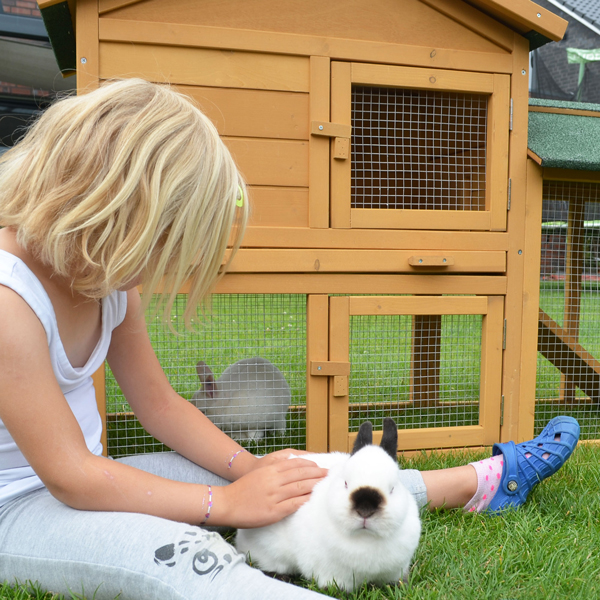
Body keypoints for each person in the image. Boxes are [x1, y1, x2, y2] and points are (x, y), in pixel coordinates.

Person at [0, 79, 580, 600]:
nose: (153, 272)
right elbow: (70, 475)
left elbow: (159, 405)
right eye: (159, 245)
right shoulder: (9, 297)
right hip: (18, 512)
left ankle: (477, 485)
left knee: (314, 472)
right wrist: (222, 505)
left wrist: (249, 467)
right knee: (193, 563)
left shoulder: (104, 278)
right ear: (103, 209)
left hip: (82, 480)